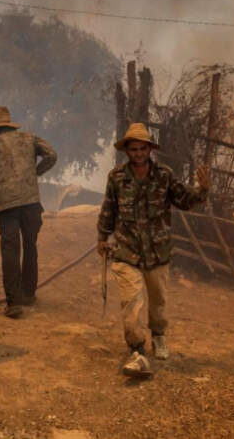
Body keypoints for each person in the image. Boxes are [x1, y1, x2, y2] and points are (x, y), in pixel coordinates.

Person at [97, 122, 210, 378]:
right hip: (127, 251)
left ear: (149, 149)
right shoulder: (116, 177)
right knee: (131, 302)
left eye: (142, 148)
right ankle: (137, 349)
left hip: (158, 252)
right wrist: (102, 237)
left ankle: (158, 336)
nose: (137, 153)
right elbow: (108, 208)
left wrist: (202, 189)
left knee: (158, 303)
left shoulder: (165, 175)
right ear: (126, 150)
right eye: (133, 149)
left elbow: (184, 200)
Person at [0, 106, 57, 318]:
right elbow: (51, 155)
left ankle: (14, 303)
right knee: (30, 246)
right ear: (9, 124)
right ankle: (29, 294)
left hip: (6, 206)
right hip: (31, 202)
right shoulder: (30, 138)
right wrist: (34, 173)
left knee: (10, 251)